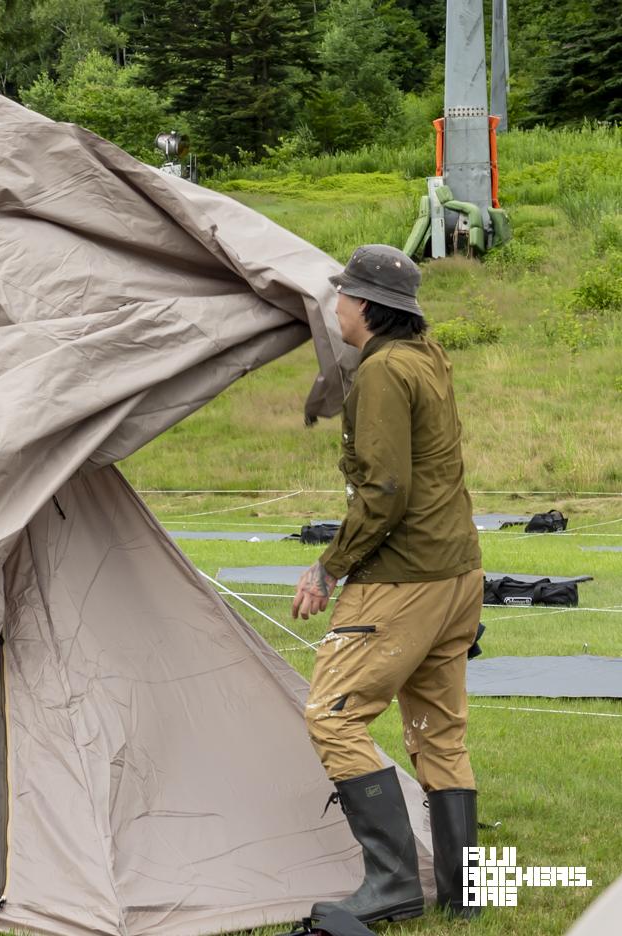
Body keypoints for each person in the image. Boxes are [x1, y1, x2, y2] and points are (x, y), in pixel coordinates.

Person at [293, 245, 484, 923]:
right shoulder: (426, 357)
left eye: (343, 295)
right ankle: (468, 895)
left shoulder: (383, 374)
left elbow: (386, 489)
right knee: (439, 733)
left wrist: (327, 566)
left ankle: (395, 884)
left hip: (403, 580)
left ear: (367, 308)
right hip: (458, 573)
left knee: (332, 717)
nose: (336, 305)